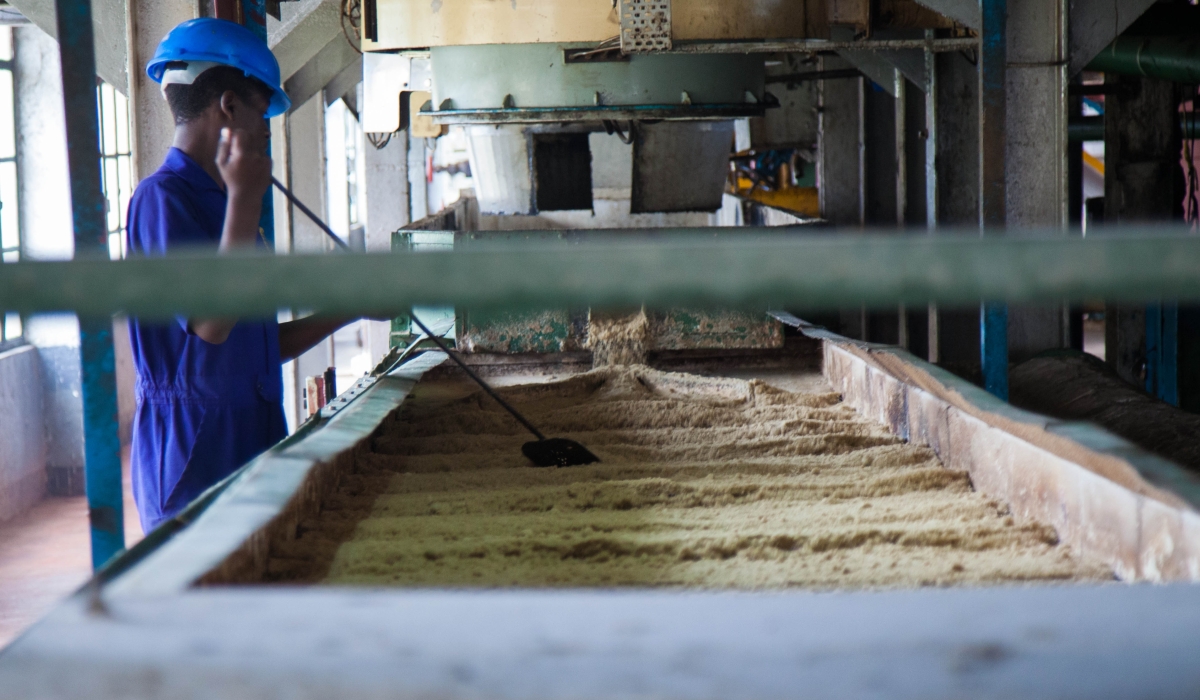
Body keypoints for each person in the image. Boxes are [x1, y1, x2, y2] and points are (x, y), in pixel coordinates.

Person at [127, 18, 358, 532]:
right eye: (263, 119)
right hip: (193, 461)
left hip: (248, 443)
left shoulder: (225, 205)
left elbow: (252, 348)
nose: (264, 136)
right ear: (229, 106)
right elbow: (212, 322)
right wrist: (245, 199)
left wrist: (355, 308)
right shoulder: (163, 199)